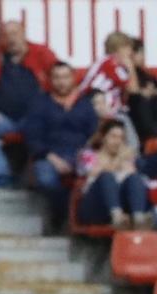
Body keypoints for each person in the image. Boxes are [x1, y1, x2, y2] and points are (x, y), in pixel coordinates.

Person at [0, 18, 59, 189]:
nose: (11, 39)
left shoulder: (41, 53)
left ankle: (36, 177)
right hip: (4, 118)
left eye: (15, 33)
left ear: (23, 34)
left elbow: (60, 75)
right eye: (6, 35)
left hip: (35, 118)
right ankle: (0, 175)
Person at [21, 62, 100, 226]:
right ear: (50, 80)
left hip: (81, 154)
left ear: (73, 79)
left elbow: (96, 135)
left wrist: (84, 154)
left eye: (65, 77)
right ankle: (61, 214)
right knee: (45, 178)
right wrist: (53, 158)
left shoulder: (85, 104)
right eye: (57, 77)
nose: (61, 82)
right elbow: (33, 137)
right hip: (49, 155)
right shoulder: (40, 104)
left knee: (99, 176)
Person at [75, 117, 152, 229]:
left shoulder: (128, 158)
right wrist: (118, 161)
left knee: (134, 178)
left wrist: (128, 160)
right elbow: (94, 172)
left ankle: (139, 218)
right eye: (113, 137)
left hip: (123, 205)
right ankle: (117, 217)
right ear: (103, 137)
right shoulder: (88, 155)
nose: (117, 142)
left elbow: (134, 177)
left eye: (121, 138)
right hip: (96, 205)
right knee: (107, 176)